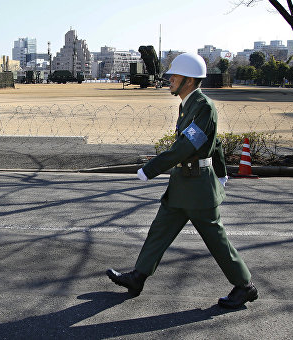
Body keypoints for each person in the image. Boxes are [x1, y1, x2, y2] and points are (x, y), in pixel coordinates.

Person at [106, 53, 258, 309]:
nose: (170, 80)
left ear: (189, 80)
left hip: (198, 187)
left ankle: (244, 286)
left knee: (216, 239)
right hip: (182, 185)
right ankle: (138, 277)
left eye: (174, 76)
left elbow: (189, 145)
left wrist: (152, 168)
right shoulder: (187, 104)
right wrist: (222, 171)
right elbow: (215, 142)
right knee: (159, 230)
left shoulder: (203, 106)